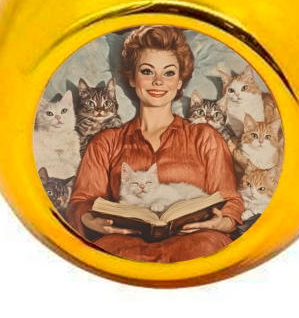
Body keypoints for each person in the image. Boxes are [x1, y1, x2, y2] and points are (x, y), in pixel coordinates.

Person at [66, 25, 244, 262]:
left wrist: (221, 223)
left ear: (180, 82)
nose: (158, 81)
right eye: (147, 71)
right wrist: (92, 222)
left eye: (169, 73)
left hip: (197, 244)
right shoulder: (105, 142)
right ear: (132, 78)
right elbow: (80, 203)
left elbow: (230, 201)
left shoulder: (206, 137)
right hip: (124, 247)